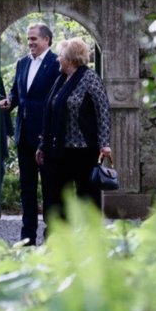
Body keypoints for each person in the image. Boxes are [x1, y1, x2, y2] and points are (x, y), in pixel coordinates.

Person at [35, 37, 112, 225]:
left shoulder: (90, 78)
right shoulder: (61, 79)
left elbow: (103, 111)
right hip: (58, 148)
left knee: (86, 196)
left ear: (69, 59)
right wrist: (42, 145)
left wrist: (104, 144)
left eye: (60, 55)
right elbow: (50, 113)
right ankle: (60, 238)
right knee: (58, 195)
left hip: (83, 150)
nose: (57, 59)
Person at [0, 23, 60, 246]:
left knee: (50, 188)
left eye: (34, 39)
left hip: (46, 135)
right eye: (28, 39)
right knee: (27, 188)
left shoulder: (56, 63)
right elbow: (17, 91)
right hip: (23, 134)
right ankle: (27, 237)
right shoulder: (22, 63)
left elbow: (56, 100)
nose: (30, 43)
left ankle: (52, 236)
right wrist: (10, 102)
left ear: (46, 40)